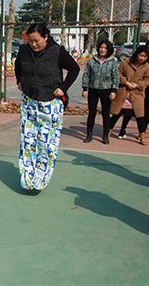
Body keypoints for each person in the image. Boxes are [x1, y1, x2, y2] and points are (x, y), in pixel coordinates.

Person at [15, 23, 80, 194]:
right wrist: (19, 81)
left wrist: (63, 88)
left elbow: (75, 68)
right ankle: (27, 178)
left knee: (46, 144)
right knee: (28, 141)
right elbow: (18, 66)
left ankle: (41, 179)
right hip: (29, 101)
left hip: (50, 103)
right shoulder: (24, 51)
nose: (33, 44)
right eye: (30, 41)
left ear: (45, 37)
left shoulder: (56, 51)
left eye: (37, 41)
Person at [117, 40, 149, 137]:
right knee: (129, 109)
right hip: (134, 86)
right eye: (148, 47)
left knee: (146, 110)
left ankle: (142, 132)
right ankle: (123, 129)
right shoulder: (139, 57)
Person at [109, 46, 149, 145]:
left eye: (145, 57)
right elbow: (118, 74)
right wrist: (126, 82)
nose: (142, 58)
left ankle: (142, 135)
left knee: (140, 116)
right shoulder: (126, 62)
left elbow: (147, 80)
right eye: (141, 55)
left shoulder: (147, 67)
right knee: (117, 113)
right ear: (137, 54)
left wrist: (137, 85)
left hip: (136, 94)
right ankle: (108, 130)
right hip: (124, 92)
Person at [82, 40, 119, 144]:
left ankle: (105, 136)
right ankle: (89, 135)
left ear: (109, 50)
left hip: (106, 91)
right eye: (101, 47)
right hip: (93, 90)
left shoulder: (113, 62)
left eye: (105, 48)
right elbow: (86, 75)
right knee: (92, 113)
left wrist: (114, 90)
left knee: (105, 114)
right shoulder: (92, 61)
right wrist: (85, 89)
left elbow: (115, 77)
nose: (103, 50)